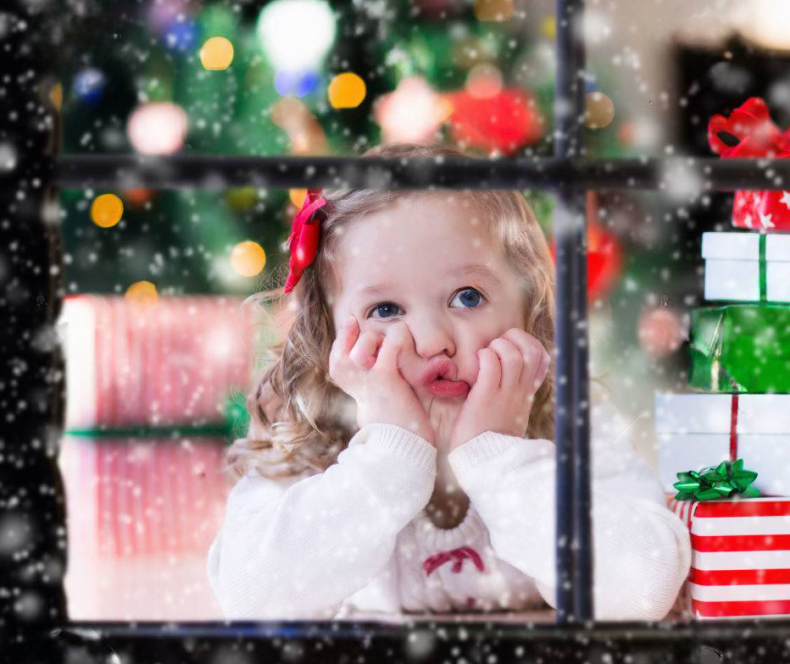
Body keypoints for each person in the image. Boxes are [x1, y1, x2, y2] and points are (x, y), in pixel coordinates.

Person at [206, 142, 691, 621]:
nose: (433, 341)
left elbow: (643, 589)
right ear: (329, 337)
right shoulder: (308, 442)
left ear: (531, 310)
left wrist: (499, 456)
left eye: (467, 297)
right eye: (386, 310)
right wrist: (389, 457)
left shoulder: (575, 431)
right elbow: (251, 598)